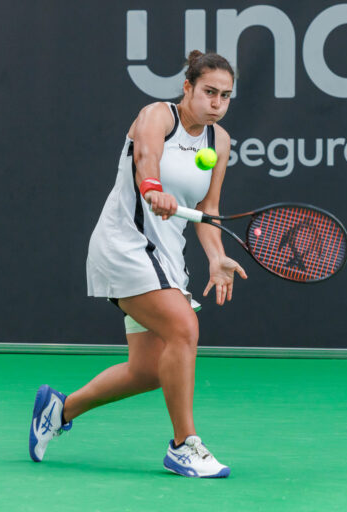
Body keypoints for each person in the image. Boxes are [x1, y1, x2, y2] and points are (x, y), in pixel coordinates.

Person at [29, 50, 246, 478]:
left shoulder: (219, 141)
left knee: (148, 370)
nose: (217, 103)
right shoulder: (157, 116)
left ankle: (59, 409)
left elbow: (208, 210)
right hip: (125, 245)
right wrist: (153, 189)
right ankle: (184, 444)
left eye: (225, 95)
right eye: (208, 92)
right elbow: (146, 160)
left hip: (166, 255)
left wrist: (217, 257)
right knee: (184, 328)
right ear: (188, 88)